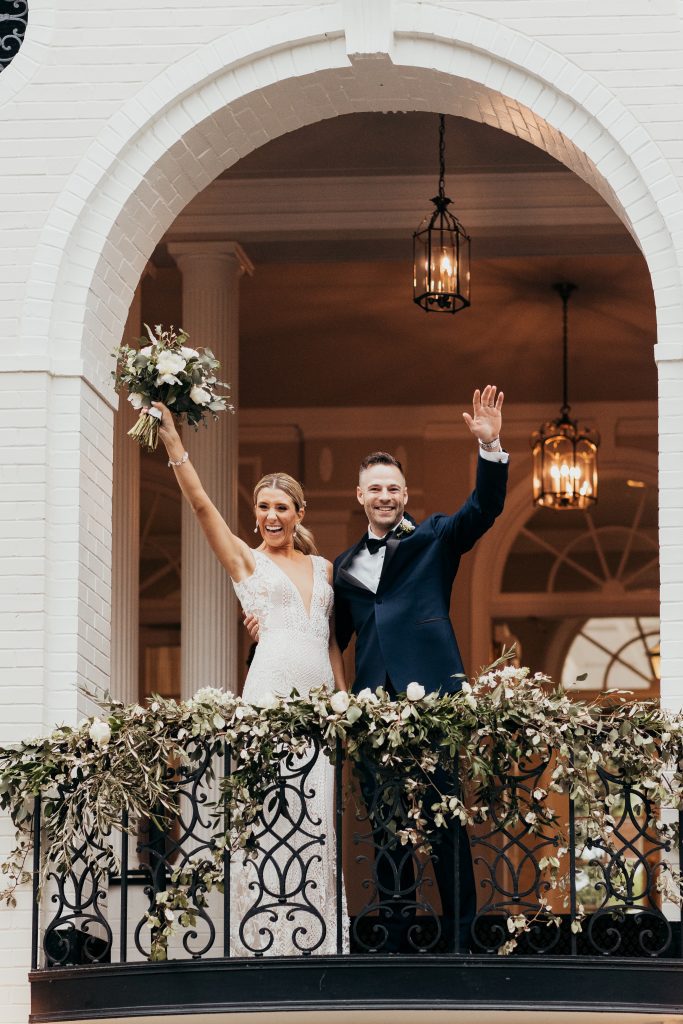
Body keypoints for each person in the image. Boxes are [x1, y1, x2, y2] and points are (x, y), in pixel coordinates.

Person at [151, 401, 347, 956]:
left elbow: (330, 641)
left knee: (315, 813)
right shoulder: (246, 560)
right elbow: (200, 504)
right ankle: (261, 937)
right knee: (270, 810)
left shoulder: (324, 568)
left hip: (319, 702)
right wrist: (174, 445)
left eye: (281, 506)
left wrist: (345, 700)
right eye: (262, 507)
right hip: (268, 691)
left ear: (299, 512)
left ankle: (318, 937)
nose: (270, 515)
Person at [333, 385, 508, 953]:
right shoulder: (343, 567)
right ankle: (398, 931)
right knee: (387, 827)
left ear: (405, 494)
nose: (384, 497)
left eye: (392, 488)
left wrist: (490, 448)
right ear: (360, 496)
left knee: (443, 818)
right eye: (374, 489)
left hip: (432, 699)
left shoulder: (435, 537)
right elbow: (331, 639)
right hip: (373, 706)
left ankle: (461, 936)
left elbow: (482, 510)